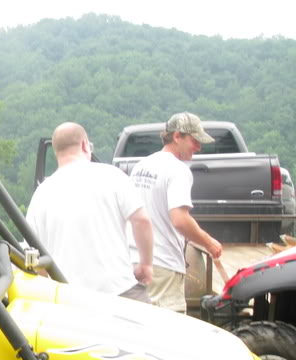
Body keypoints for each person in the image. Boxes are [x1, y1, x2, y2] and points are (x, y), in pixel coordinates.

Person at [26, 122, 154, 302]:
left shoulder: (41, 194)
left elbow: (36, 258)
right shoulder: (112, 176)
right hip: (120, 291)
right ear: (85, 145)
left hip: (70, 299)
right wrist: (146, 264)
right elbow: (142, 221)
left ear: (56, 152)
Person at [129, 112, 223, 313]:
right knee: (169, 333)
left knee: (139, 328)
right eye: (194, 141)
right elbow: (180, 220)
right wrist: (209, 242)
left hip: (134, 261)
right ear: (177, 136)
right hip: (163, 265)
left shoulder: (140, 166)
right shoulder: (177, 170)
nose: (198, 147)